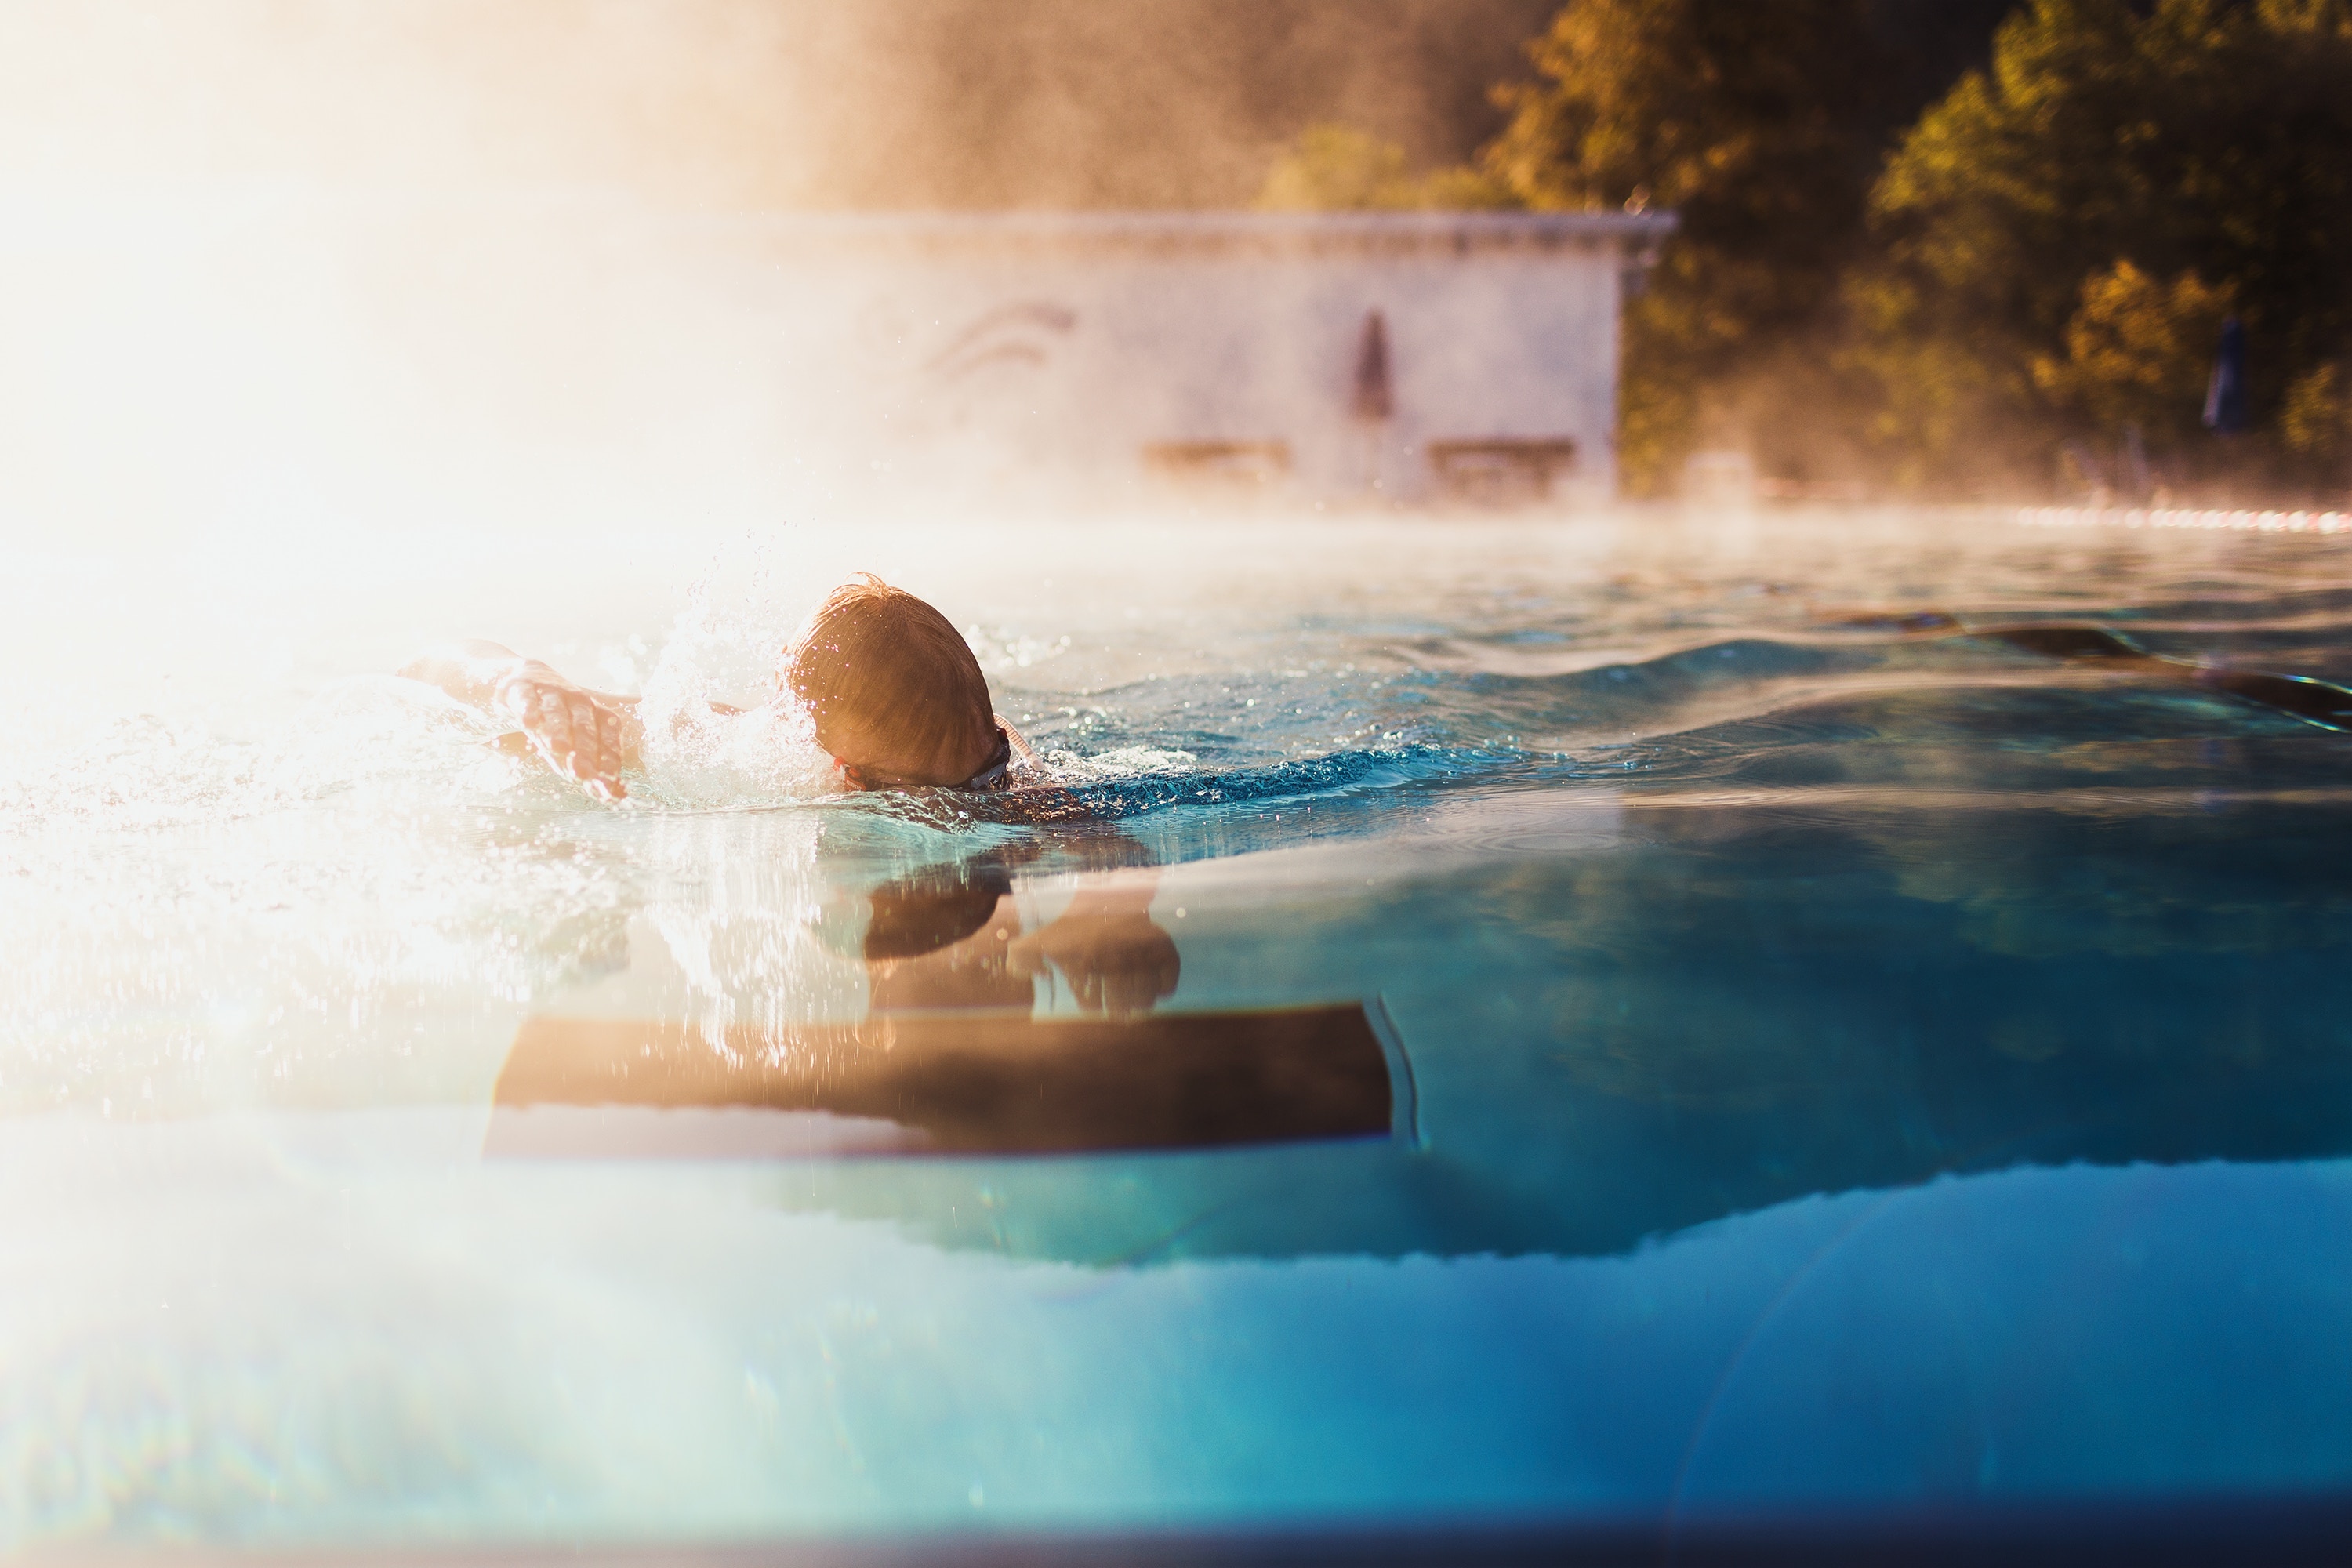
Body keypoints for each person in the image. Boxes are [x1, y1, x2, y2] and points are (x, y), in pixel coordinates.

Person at [399, 574, 1036, 801]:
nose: (967, 803)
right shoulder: (727, 747)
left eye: (992, 772)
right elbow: (430, 666)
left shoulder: (1019, 776)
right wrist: (520, 677)